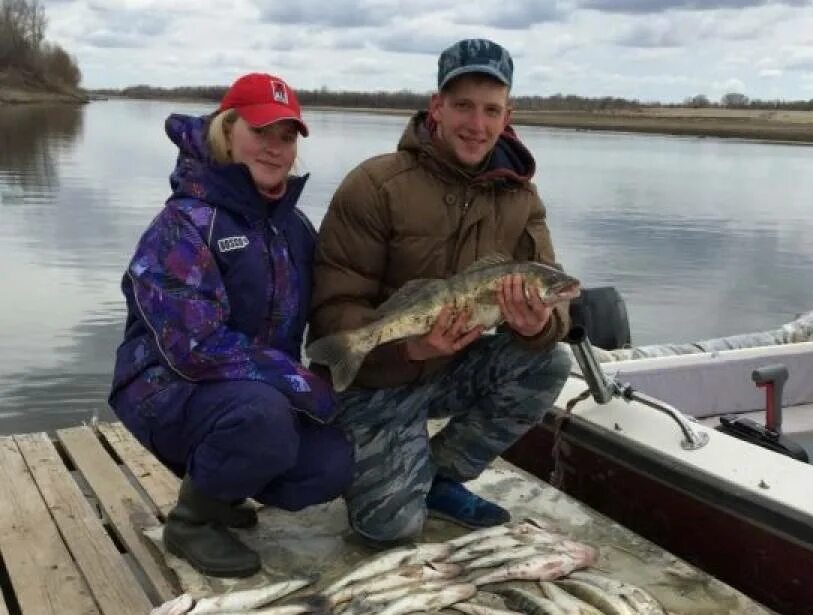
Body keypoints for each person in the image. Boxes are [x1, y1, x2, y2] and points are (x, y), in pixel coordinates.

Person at [311, 38, 572, 547]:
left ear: (507, 115)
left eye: (490, 110)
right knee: (389, 530)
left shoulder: (521, 197)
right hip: (378, 377)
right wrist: (412, 346)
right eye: (463, 106)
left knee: (550, 362)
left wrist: (540, 325)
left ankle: (437, 477)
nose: (477, 124)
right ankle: (392, 471)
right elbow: (330, 312)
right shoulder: (374, 185)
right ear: (437, 107)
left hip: (452, 367)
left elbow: (556, 292)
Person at [109, 72, 353, 578]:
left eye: (286, 137)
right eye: (260, 131)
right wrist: (299, 383)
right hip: (162, 387)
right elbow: (194, 346)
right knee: (262, 418)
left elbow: (335, 306)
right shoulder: (184, 223)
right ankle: (191, 522)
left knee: (331, 462)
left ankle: (220, 492)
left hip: (252, 393)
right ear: (227, 130)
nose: (274, 147)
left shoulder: (294, 227)